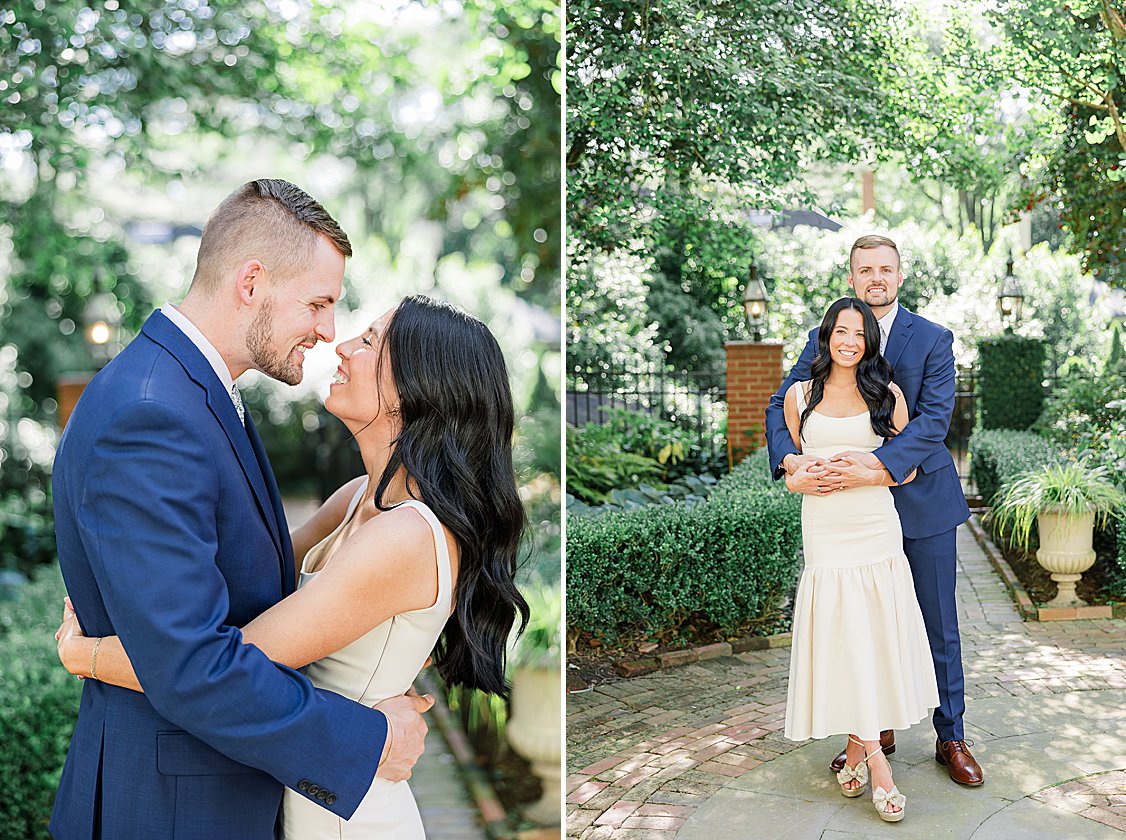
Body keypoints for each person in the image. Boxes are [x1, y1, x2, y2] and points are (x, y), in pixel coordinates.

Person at [57, 294, 530, 838]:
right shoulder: (356, 499)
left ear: (414, 391)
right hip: (303, 781)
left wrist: (88, 653)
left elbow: (223, 668)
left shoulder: (407, 537)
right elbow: (249, 585)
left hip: (344, 814)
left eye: (370, 341)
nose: (342, 345)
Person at [49, 180, 431, 840]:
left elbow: (247, 588)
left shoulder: (194, 393)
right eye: (318, 302)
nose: (328, 330)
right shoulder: (153, 414)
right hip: (170, 812)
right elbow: (192, 666)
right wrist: (365, 737)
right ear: (251, 283)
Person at [765, 234, 982, 790]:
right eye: (866, 269)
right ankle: (871, 732)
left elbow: (934, 423)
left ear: (900, 276)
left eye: (886, 268)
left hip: (921, 502)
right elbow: (782, 401)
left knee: (935, 624)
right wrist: (790, 460)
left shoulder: (933, 339)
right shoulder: (832, 333)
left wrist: (877, 467)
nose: (876, 277)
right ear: (852, 278)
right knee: (860, 622)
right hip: (846, 514)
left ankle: (950, 735)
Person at [778, 296, 938, 822]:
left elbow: (907, 470)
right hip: (826, 533)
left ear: (869, 341)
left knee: (868, 638)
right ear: (825, 337)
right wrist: (798, 478)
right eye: (839, 332)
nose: (849, 341)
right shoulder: (799, 395)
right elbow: (795, 468)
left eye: (859, 333)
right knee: (842, 636)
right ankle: (876, 764)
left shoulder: (887, 396)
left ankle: (861, 756)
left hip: (875, 528)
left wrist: (868, 469)